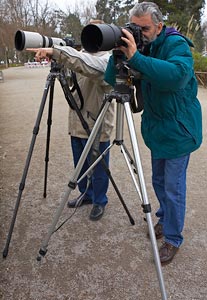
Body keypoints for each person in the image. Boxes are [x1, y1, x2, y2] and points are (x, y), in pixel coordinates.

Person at [104, 2, 202, 265]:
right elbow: (110, 79)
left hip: (179, 130)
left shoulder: (175, 44)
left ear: (159, 26)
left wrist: (136, 58)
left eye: (144, 28)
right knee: (159, 180)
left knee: (173, 187)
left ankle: (173, 238)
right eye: (134, 27)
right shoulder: (139, 46)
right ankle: (164, 218)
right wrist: (118, 53)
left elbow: (176, 77)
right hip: (157, 129)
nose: (139, 33)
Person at [28, 19, 114, 221]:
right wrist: (59, 62)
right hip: (76, 120)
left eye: (96, 31)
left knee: (98, 166)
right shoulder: (79, 55)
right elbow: (73, 74)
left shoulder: (107, 59)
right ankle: (86, 193)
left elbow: (87, 67)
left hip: (96, 123)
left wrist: (58, 52)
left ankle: (99, 201)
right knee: (80, 165)